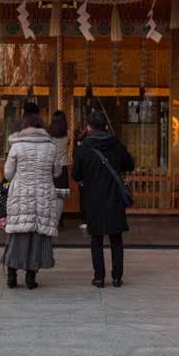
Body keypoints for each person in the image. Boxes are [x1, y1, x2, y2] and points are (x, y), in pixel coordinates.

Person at [73, 112, 134, 288]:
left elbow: (76, 174)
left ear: (89, 127)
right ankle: (117, 278)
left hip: (93, 198)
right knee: (116, 239)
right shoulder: (116, 144)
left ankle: (99, 278)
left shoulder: (83, 147)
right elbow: (130, 165)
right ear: (106, 126)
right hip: (114, 197)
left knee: (96, 239)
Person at [1, 113, 62, 290]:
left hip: (21, 193)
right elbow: (57, 172)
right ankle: (30, 277)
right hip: (43, 193)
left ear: (25, 127)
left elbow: (8, 174)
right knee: (37, 235)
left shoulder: (17, 146)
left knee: (17, 233)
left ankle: (11, 274)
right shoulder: (51, 146)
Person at [48, 110, 70, 228]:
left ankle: (49, 221)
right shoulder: (68, 134)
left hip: (49, 167)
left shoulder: (48, 135)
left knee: (49, 195)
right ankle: (57, 222)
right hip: (62, 167)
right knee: (59, 197)